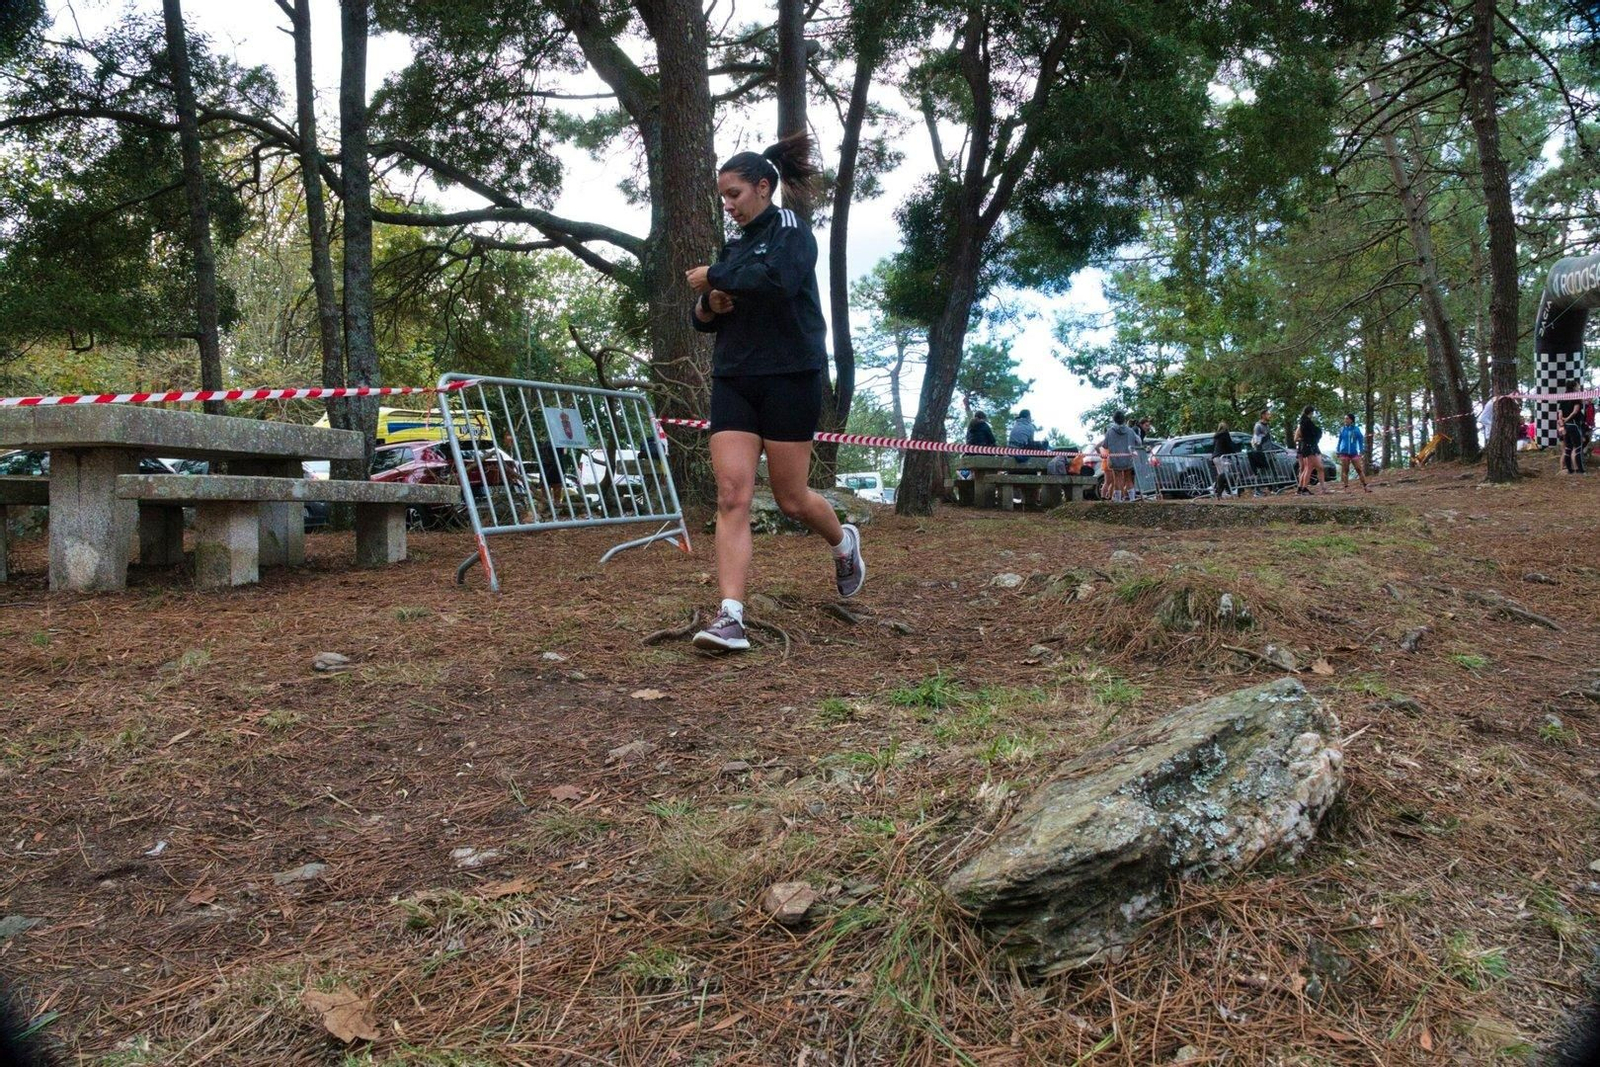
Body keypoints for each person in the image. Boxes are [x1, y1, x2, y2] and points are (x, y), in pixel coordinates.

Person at [684, 133, 865, 653]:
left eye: (735, 193)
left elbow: (780, 279)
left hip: (791, 375)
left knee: (790, 499)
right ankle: (731, 616)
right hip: (735, 378)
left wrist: (716, 276)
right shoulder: (735, 248)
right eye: (723, 196)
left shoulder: (790, 230)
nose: (728, 205)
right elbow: (704, 318)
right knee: (732, 494)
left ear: (763, 188)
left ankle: (842, 541)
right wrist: (710, 305)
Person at [1099, 411, 1140, 502]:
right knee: (1128, 478)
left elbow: (1105, 445)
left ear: (1114, 420)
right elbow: (1139, 442)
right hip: (1128, 458)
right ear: (1124, 419)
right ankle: (1132, 498)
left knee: (1117, 479)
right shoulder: (1130, 431)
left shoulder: (1110, 432)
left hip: (1115, 459)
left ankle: (1118, 499)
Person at [1334, 413, 1372, 493]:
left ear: (1351, 420)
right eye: (1345, 419)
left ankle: (1365, 486)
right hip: (1344, 452)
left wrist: (1361, 451)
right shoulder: (1342, 429)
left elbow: (1360, 440)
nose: (1345, 420)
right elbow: (1339, 440)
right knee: (1345, 470)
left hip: (1354, 452)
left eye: (1347, 418)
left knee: (1359, 469)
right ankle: (1346, 488)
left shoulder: (1356, 429)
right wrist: (1337, 450)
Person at [1558, 380, 1586, 474]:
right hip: (1574, 424)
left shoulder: (1563, 397)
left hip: (1566, 426)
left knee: (1568, 447)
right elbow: (1575, 411)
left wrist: (1562, 422)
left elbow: (1560, 412)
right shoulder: (1576, 397)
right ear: (1574, 386)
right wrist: (1567, 419)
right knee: (1577, 447)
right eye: (1577, 386)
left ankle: (1570, 470)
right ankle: (1580, 470)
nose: (1578, 387)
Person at [1294, 405, 1323, 495]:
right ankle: (1304, 488)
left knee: (1306, 468)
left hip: (1305, 447)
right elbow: (1314, 432)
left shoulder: (1302, 422)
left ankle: (1300, 487)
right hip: (1309, 447)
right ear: (1310, 413)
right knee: (1309, 468)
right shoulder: (1307, 422)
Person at [1247, 409, 1273, 494]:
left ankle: (1274, 487)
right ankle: (1257, 489)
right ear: (1263, 415)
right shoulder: (1258, 426)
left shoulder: (1267, 425)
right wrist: (1259, 452)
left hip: (1269, 451)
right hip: (1262, 452)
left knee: (1272, 469)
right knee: (1261, 471)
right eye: (1268, 414)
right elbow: (1256, 440)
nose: (1270, 416)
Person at [1211, 421, 1238, 498]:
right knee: (1225, 475)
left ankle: (1218, 490)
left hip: (1215, 457)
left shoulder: (1216, 436)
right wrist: (1234, 453)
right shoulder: (1225, 434)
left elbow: (1213, 447)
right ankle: (1221, 492)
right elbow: (1229, 445)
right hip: (1223, 457)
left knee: (1220, 474)